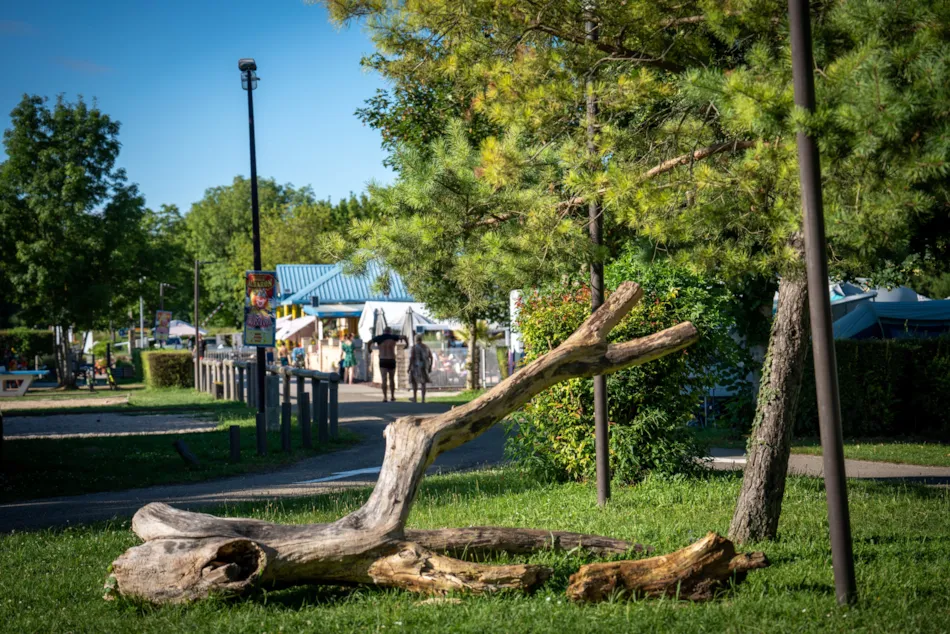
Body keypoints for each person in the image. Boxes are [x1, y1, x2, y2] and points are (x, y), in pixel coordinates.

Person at [368, 327, 408, 402]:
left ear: (384, 331)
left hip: (383, 359)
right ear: (390, 331)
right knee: (392, 379)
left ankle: (385, 397)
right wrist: (407, 345)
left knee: (384, 379)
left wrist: (369, 350)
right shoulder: (393, 337)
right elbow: (405, 337)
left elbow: (370, 342)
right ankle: (392, 396)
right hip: (391, 359)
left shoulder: (379, 338)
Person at [409, 334, 433, 403]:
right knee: (423, 383)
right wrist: (430, 366)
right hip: (425, 366)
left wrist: (409, 367)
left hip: (416, 366)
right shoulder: (426, 347)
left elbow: (412, 357)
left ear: (415, 339)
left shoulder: (414, 347)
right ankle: (423, 399)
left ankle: (415, 397)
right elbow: (431, 357)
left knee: (414, 382)